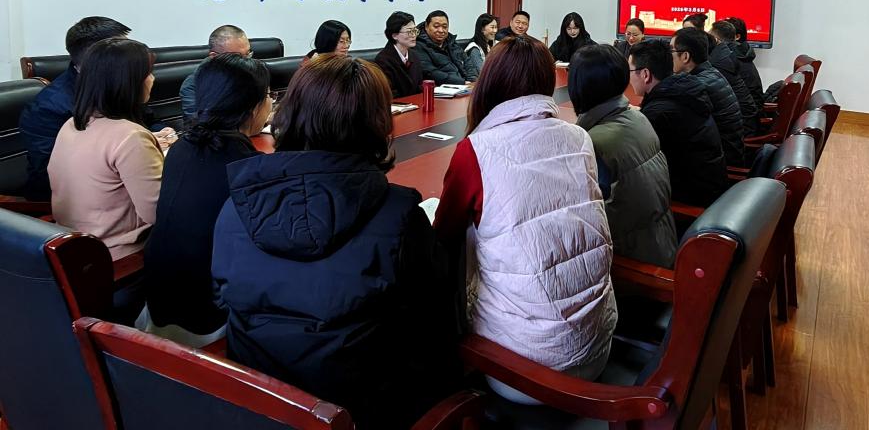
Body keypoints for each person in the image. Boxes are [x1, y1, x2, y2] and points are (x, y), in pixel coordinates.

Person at [211, 57, 459, 430]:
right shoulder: (399, 213)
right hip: (365, 408)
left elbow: (221, 295)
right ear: (378, 123)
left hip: (259, 405)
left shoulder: (238, 206)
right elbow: (434, 313)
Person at [433, 37, 617, 401]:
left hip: (522, 369)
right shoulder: (579, 137)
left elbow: (443, 236)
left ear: (489, 83)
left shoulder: (477, 150)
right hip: (597, 344)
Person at [143, 54, 271, 347]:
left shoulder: (181, 148)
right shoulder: (248, 169)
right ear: (253, 108)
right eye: (268, 96)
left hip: (158, 298)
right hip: (208, 316)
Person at [49, 38, 163, 260]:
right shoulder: (131, 137)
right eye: (148, 73)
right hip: (117, 253)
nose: (152, 79)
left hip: (72, 245)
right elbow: (158, 213)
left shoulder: (72, 124)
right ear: (128, 82)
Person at [569, 45, 676, 268]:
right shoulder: (638, 118)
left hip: (630, 261)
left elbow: (583, 220)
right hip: (662, 242)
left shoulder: (594, 143)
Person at [18, 16, 131, 200]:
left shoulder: (119, 85)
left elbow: (148, 120)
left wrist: (163, 134)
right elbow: (52, 171)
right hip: (67, 200)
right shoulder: (48, 108)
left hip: (120, 181)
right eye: (123, 52)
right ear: (97, 57)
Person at [628, 39, 726, 206]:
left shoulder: (659, 113)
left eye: (630, 70)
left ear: (645, 74)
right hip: (712, 187)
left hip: (692, 201)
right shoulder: (683, 90)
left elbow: (638, 166)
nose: (628, 77)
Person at [670, 28, 745, 168]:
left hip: (722, 163)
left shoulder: (697, 85)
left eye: (671, 51)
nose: (669, 56)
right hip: (729, 152)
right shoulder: (711, 72)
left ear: (685, 56)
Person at [180, 25, 251, 119]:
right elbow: (200, 123)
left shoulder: (252, 73)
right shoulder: (193, 86)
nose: (246, 62)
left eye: (247, 54)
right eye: (237, 57)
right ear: (214, 57)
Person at [709, 21, 759, 136]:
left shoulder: (722, 60)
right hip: (749, 117)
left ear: (716, 40)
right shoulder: (737, 53)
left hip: (742, 125)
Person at [415, 10, 477, 83]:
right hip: (443, 87)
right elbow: (431, 73)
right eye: (436, 26)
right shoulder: (418, 46)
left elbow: (468, 64)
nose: (441, 30)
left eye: (444, 27)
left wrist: (472, 81)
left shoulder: (451, 42)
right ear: (426, 26)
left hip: (464, 85)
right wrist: (462, 82)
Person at [374, 11, 424, 98]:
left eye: (415, 31)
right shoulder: (383, 61)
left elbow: (420, 86)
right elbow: (389, 94)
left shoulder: (414, 56)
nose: (414, 35)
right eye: (409, 31)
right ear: (394, 35)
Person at [725, 16, 764, 109]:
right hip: (750, 107)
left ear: (737, 37)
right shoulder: (742, 53)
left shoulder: (732, 57)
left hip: (746, 111)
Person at [464, 13, 498, 77]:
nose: (495, 31)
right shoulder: (474, 48)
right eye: (492, 27)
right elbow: (482, 72)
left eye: (496, 27)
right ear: (482, 29)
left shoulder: (496, 44)